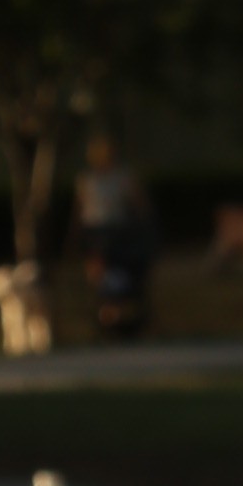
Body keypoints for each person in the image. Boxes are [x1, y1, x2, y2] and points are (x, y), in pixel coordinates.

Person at [74, 129, 155, 341]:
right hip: (94, 231)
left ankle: (124, 314)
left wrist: (144, 226)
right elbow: (82, 207)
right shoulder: (88, 179)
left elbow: (139, 203)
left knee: (123, 271)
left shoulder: (122, 177)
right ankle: (103, 313)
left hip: (117, 230)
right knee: (98, 273)